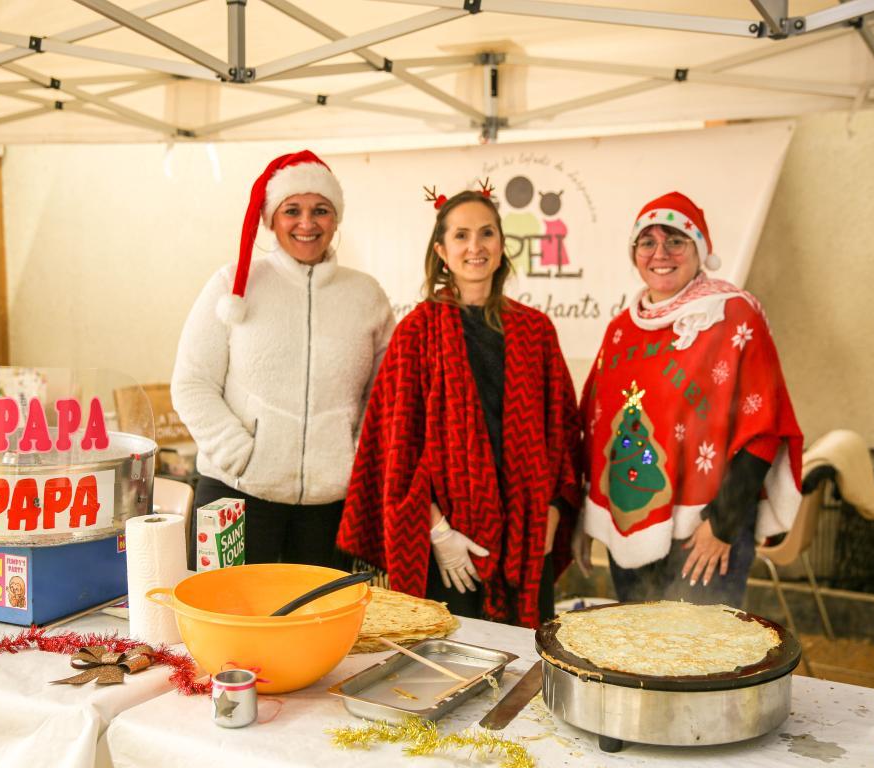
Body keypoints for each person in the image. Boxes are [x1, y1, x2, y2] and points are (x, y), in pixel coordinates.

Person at [338, 187, 581, 628]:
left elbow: (562, 430)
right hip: (448, 541)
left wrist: (554, 511)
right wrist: (437, 531)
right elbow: (397, 448)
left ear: (502, 245)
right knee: (451, 656)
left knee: (526, 658)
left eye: (486, 233)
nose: (475, 247)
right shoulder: (417, 333)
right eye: (461, 236)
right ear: (441, 251)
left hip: (526, 535)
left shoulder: (536, 331)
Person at [575, 192, 803, 609]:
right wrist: (587, 518)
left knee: (701, 645)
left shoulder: (734, 317)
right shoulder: (621, 330)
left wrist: (722, 525)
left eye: (676, 240)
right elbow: (595, 428)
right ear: (634, 253)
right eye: (648, 242)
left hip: (705, 534)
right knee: (636, 642)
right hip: (631, 528)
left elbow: (763, 429)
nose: (660, 253)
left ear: (699, 251)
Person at [172, 151, 394, 569]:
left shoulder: (367, 296)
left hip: (330, 504)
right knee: (225, 609)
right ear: (271, 219)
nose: (307, 223)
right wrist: (240, 454)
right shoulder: (232, 284)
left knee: (322, 611)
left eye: (320, 210)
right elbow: (191, 383)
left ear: (336, 219)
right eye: (292, 210)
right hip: (235, 492)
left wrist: (354, 456)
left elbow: (386, 395)